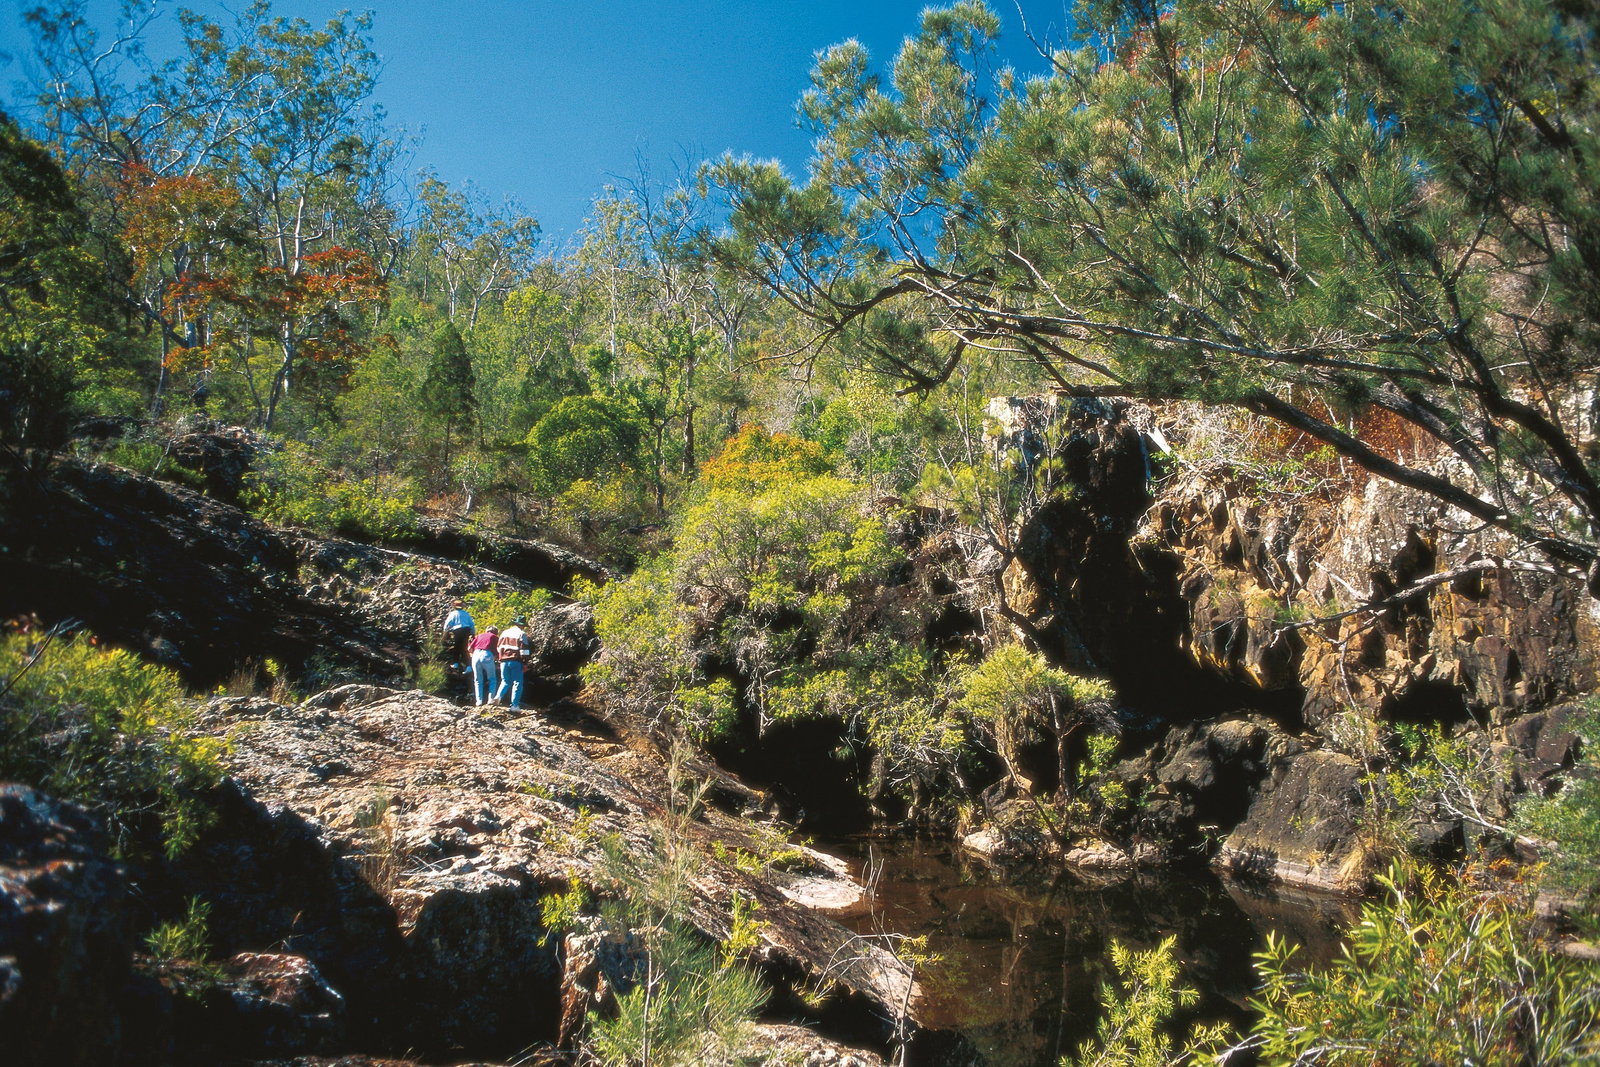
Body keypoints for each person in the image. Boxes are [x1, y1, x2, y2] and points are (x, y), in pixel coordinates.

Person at [493, 615, 532, 711]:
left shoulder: (504, 633)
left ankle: (498, 697)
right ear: (522, 626)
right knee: (517, 683)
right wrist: (525, 663)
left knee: (505, 681)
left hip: (503, 661)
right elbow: (524, 650)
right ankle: (514, 705)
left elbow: (498, 647)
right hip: (515, 661)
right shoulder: (521, 634)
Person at [467, 625, 500, 707]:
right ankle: (490, 699)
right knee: (492, 679)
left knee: (478, 680)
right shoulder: (495, 637)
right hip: (487, 654)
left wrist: (472, 656)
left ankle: (479, 701)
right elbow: (498, 651)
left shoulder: (479, 635)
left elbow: (469, 649)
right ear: (496, 632)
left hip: (476, 654)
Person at [442, 598, 474, 672]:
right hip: (466, 630)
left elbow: (447, 624)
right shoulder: (466, 614)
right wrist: (473, 633)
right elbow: (472, 624)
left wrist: (445, 633)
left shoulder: (453, 614)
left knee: (457, 647)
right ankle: (468, 665)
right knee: (464, 648)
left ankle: (455, 663)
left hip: (458, 631)